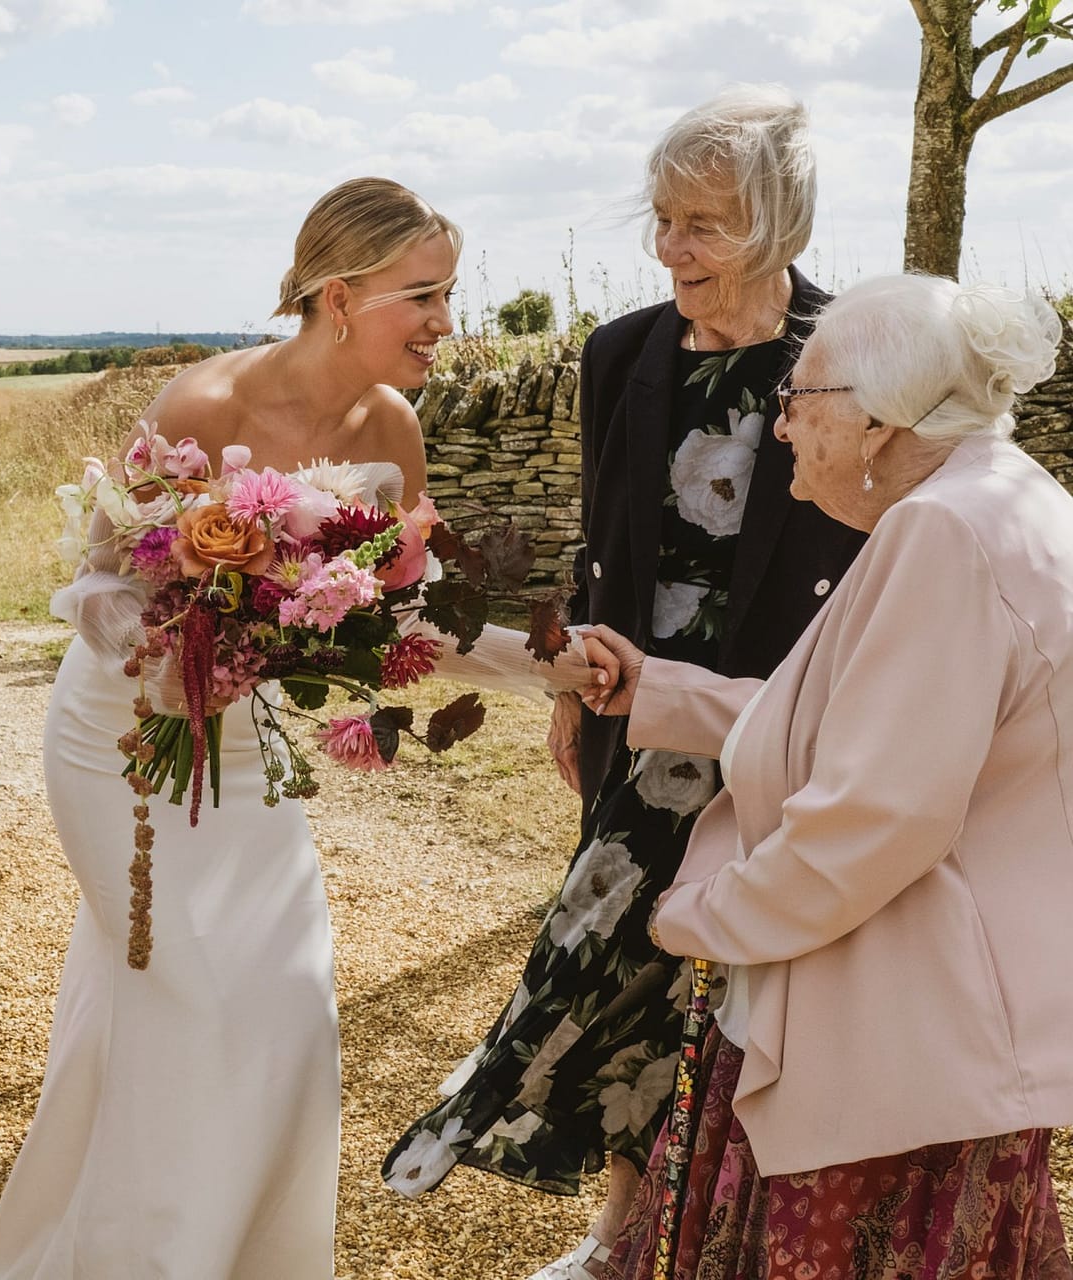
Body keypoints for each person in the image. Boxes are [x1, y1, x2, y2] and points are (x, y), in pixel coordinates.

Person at [0, 177, 592, 1280]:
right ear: (338, 293)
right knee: (186, 997)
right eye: (425, 294)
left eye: (449, 293)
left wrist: (554, 665)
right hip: (121, 740)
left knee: (288, 1008)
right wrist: (184, 640)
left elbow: (408, 620)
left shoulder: (393, 430)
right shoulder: (201, 406)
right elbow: (95, 592)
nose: (447, 322)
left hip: (243, 747)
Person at [381, 86, 868, 1280]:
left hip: (778, 715)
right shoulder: (622, 353)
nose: (672, 247)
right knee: (639, 962)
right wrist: (567, 684)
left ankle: (728, 1226)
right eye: (663, 217)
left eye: (704, 222)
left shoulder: (851, 355)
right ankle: (619, 1232)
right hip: (631, 709)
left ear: (781, 224)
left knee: (753, 977)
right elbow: (602, 542)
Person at [575, 273, 1073, 1279]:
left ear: (881, 418)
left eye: (798, 398)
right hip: (944, 1024)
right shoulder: (1008, 496)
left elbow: (877, 812)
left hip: (900, 1027)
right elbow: (872, 728)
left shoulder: (943, 532)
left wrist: (699, 916)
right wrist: (658, 691)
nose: (781, 425)